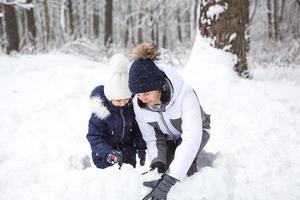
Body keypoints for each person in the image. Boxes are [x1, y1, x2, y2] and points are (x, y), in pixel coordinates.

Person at [128, 43, 210, 200]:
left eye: (146, 93)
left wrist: (168, 182)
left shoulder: (185, 96)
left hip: (198, 132)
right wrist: (157, 163)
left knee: (183, 171)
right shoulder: (138, 105)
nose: (143, 99)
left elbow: (191, 140)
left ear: (158, 86)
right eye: (138, 94)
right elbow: (152, 138)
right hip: (165, 137)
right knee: (163, 168)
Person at [86, 53, 146, 169]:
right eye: (118, 100)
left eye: (125, 99)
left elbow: (138, 130)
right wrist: (108, 152)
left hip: (128, 156)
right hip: (104, 158)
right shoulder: (101, 111)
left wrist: (141, 147)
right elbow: (94, 136)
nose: (122, 103)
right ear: (110, 97)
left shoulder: (131, 107)